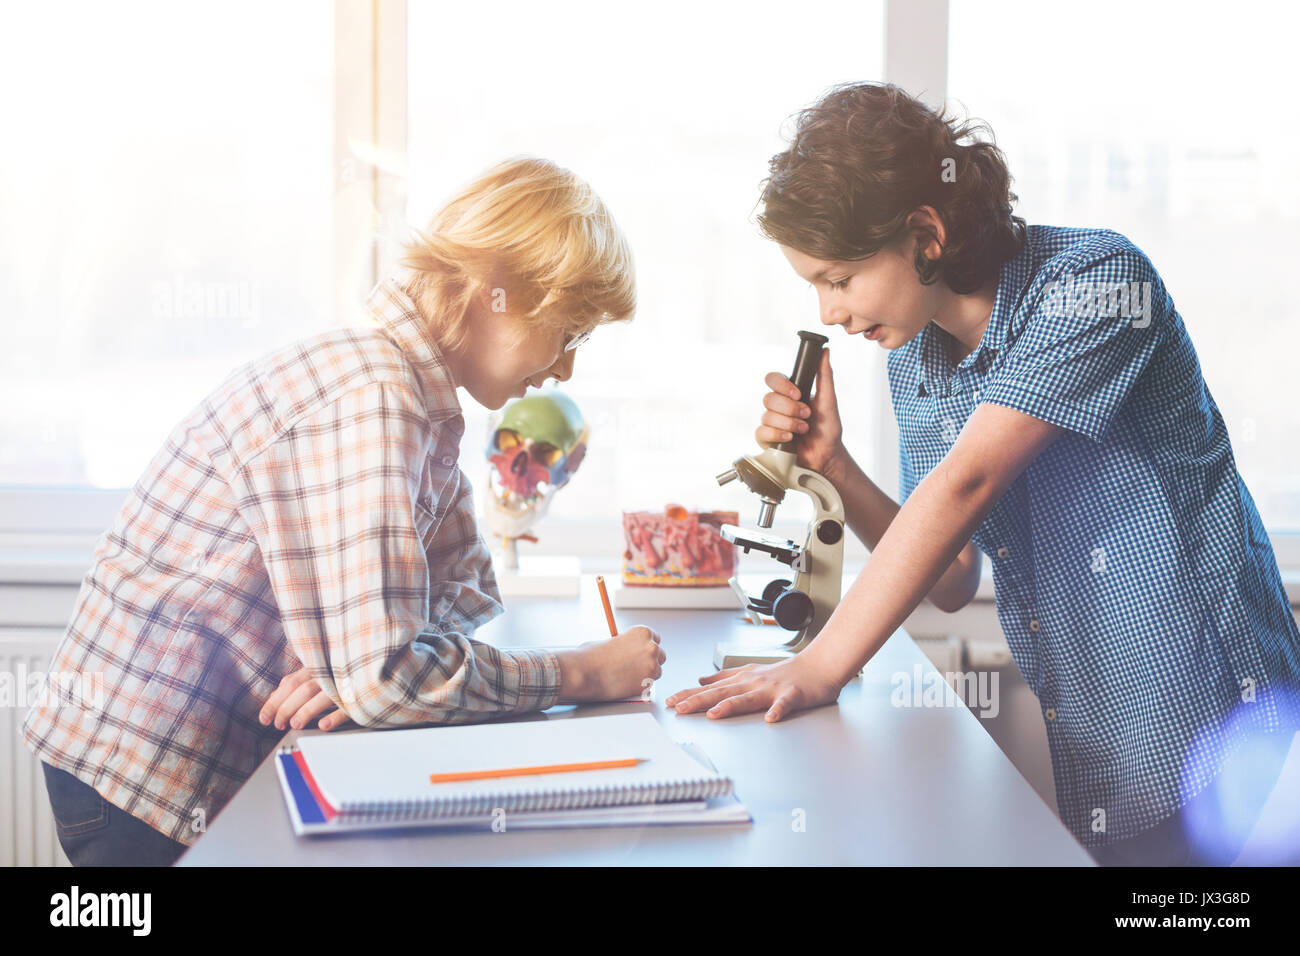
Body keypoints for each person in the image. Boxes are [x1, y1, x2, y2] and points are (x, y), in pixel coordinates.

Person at [665, 83, 1300, 865]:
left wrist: (821, 665)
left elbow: (966, 483)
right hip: (1102, 749)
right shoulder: (918, 360)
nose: (829, 311)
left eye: (838, 278)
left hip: (1219, 731)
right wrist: (833, 464)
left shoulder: (1098, 282)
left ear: (924, 232)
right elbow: (953, 575)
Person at [25, 157, 665, 866]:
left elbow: (466, 589)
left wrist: (356, 671)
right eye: (570, 334)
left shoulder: (423, 400)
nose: (568, 369)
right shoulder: (373, 390)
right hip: (140, 777)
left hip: (185, 761)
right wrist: (582, 673)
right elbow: (390, 679)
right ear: (498, 293)